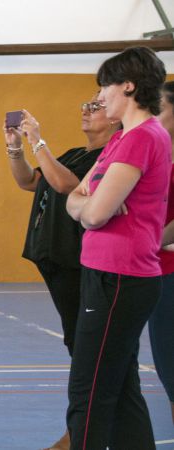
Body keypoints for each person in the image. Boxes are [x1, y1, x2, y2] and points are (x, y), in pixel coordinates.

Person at [65, 46, 170, 450]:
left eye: (105, 86)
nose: (100, 96)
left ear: (128, 85)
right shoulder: (121, 140)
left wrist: (90, 205)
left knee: (88, 393)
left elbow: (92, 215)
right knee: (122, 388)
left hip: (121, 278)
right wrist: (89, 203)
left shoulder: (141, 139)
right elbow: (75, 198)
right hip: (106, 274)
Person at [4, 95, 118, 450]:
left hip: (79, 262)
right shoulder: (72, 153)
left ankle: (81, 433)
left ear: (115, 117)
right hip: (54, 260)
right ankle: (83, 429)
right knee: (77, 345)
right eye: (84, 105)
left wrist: (38, 140)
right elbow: (29, 182)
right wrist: (15, 150)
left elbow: (66, 184)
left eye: (95, 106)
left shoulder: (108, 157)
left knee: (86, 351)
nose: (86, 110)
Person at [150, 80, 174, 426]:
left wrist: (146, 239)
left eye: (160, 109)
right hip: (158, 271)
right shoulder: (158, 155)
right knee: (168, 369)